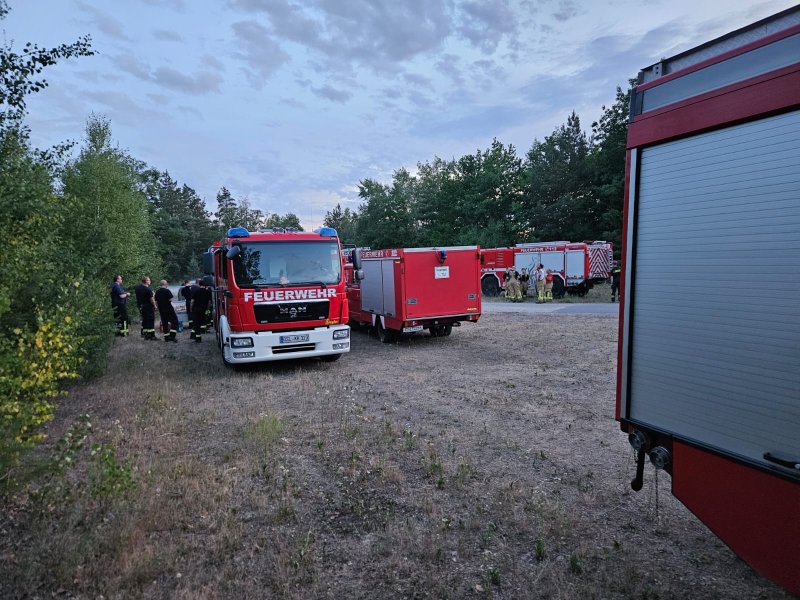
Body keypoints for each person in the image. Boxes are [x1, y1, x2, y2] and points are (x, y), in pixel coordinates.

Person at [134, 276, 158, 340]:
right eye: (149, 280)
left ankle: (145, 335)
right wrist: (155, 306)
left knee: (145, 320)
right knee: (150, 320)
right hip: (148, 307)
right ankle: (152, 336)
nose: (150, 281)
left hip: (141, 306)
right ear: (146, 281)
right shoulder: (148, 289)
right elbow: (152, 300)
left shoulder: (137, 288)